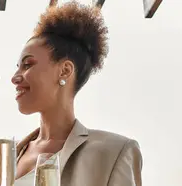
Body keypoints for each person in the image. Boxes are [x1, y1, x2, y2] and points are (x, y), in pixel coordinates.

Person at [11, 2, 143, 186]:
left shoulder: (113, 152)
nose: (15, 78)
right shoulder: (8, 155)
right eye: (17, 68)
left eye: (28, 65)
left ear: (65, 71)